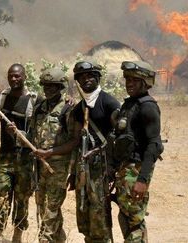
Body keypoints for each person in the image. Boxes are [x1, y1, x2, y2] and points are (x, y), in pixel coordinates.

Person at [0, 63, 41, 242]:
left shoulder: (35, 100)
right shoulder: (0, 97)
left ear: (24, 77)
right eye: (11, 76)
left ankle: (17, 235)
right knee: (2, 194)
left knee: (22, 198)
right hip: (5, 157)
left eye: (17, 76)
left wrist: (68, 102)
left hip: (25, 158)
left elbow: (47, 122)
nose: (14, 79)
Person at [112, 60, 164, 242]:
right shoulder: (129, 105)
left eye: (134, 80)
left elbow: (154, 144)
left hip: (136, 171)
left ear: (145, 82)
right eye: (127, 79)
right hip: (125, 170)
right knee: (125, 217)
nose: (129, 83)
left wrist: (142, 180)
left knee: (134, 221)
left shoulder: (147, 106)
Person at [27, 68, 80, 243]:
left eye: (53, 86)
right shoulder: (39, 108)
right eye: (46, 86)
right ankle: (59, 238)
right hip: (40, 167)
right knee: (42, 206)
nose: (49, 89)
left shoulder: (68, 108)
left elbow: (74, 141)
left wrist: (50, 152)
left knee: (52, 207)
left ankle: (46, 239)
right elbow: (32, 134)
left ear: (60, 87)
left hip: (58, 168)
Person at [70, 61, 121, 243]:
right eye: (82, 77)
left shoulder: (108, 102)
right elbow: (76, 142)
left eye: (91, 75)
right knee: (84, 213)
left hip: (102, 168)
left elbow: (121, 138)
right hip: (84, 170)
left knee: (100, 214)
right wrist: (74, 173)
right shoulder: (79, 108)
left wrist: (113, 168)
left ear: (98, 78)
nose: (87, 79)